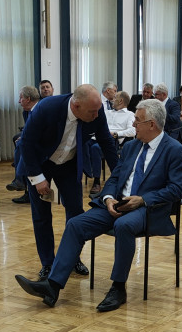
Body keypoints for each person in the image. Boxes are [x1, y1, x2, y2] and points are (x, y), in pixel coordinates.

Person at [15, 99, 182, 313]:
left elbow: (177, 189)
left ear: (152, 124)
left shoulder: (174, 150)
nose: (133, 124)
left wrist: (142, 200)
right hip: (118, 204)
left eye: (137, 120)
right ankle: (53, 286)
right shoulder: (132, 147)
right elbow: (115, 178)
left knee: (123, 225)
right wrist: (108, 198)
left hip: (147, 209)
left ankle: (118, 288)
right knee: (76, 224)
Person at [18, 84, 120, 279]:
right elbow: (26, 143)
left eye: (97, 110)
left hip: (69, 164)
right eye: (92, 111)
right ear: (76, 106)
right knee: (41, 215)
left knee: (75, 213)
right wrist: (38, 178)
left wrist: (119, 177)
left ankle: (72, 259)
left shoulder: (95, 111)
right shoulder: (47, 108)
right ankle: (48, 264)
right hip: (40, 164)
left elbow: (106, 143)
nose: (97, 115)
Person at [8, 85, 40, 193]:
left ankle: (20, 179)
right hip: (33, 139)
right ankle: (21, 181)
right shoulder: (26, 111)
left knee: (22, 144)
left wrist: (25, 138)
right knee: (20, 142)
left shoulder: (40, 110)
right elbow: (29, 128)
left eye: (20, 98)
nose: (18, 101)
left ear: (28, 99)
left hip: (45, 142)